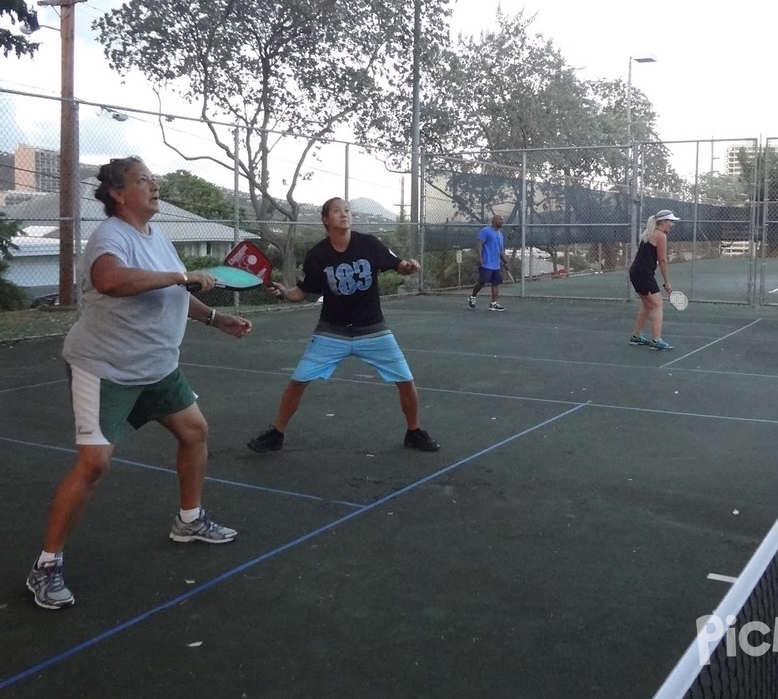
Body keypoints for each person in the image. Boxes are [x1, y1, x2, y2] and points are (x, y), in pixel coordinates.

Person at [26, 156, 252, 611]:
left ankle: (189, 520)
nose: (154, 186)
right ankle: (46, 566)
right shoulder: (110, 235)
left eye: (153, 179)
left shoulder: (157, 237)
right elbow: (110, 280)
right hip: (105, 367)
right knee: (94, 465)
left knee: (195, 432)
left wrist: (215, 318)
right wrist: (179, 275)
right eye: (143, 180)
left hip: (157, 366)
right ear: (117, 193)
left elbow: (173, 292)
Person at [247, 197, 439, 454]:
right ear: (326, 219)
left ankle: (414, 432)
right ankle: (276, 433)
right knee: (298, 381)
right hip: (332, 331)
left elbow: (399, 266)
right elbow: (301, 292)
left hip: (372, 328)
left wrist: (409, 266)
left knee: (405, 380)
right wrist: (283, 291)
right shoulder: (317, 255)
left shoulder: (369, 244)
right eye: (337, 211)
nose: (344, 214)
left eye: (347, 210)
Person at [627, 209, 678, 350]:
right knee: (657, 304)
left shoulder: (649, 233)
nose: (672, 224)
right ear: (662, 222)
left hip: (636, 272)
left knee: (648, 305)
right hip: (643, 274)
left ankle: (636, 337)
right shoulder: (660, 235)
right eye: (670, 221)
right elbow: (662, 260)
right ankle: (656, 341)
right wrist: (667, 282)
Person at [469, 214, 508, 311]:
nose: (502, 221)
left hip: (496, 264)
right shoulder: (485, 231)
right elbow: (479, 244)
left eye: (502, 220)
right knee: (482, 282)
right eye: (500, 219)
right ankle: (472, 297)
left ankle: (493, 304)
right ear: (494, 221)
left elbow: (501, 250)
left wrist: (505, 261)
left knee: (496, 283)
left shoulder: (500, 235)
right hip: (486, 263)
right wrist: (480, 257)